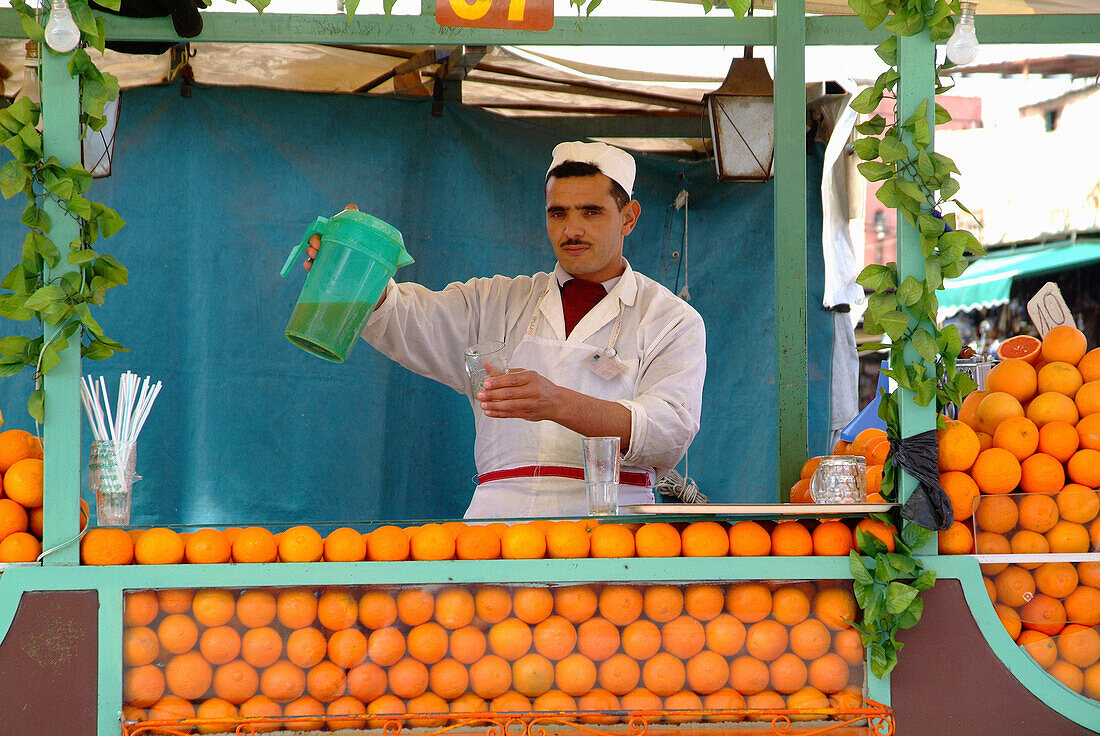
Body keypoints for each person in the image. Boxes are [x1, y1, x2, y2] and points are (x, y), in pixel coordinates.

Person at [304, 141, 706, 518]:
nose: (572, 230)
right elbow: (408, 317)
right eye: (558, 213)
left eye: (591, 212)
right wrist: (358, 273)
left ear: (629, 218)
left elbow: (669, 430)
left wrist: (557, 403)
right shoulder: (494, 300)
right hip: (497, 529)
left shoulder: (670, 319)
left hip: (610, 527)